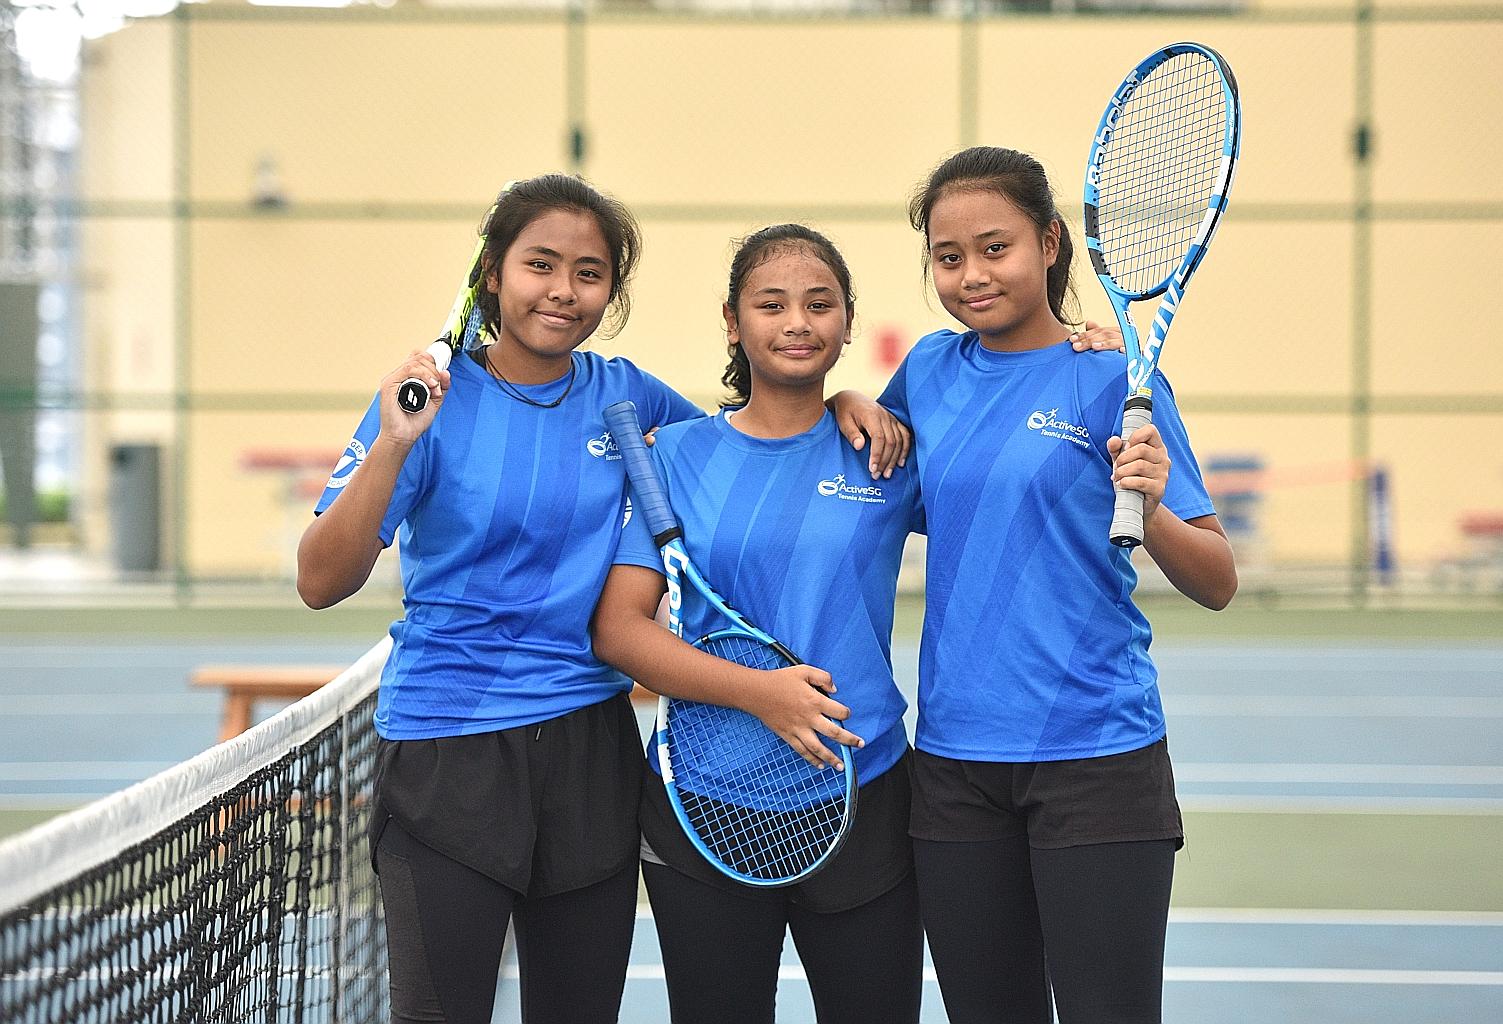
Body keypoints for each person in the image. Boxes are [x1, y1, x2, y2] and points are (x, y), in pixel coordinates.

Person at [295, 178, 907, 1024]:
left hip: (590, 751)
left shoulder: (625, 398)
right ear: (492, 275)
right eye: (540, 265)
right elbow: (320, 581)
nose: (562, 291)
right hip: (450, 747)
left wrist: (843, 400)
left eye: (589, 273)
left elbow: (751, 440)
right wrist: (395, 445)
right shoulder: (426, 401)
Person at [884, 146, 1239, 1024]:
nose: (971, 274)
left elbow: (1217, 580)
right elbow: (859, 474)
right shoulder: (926, 372)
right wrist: (847, 405)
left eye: (994, 248)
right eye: (948, 256)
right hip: (956, 765)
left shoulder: (1115, 377)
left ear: (1048, 243)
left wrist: (1150, 508)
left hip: (1096, 757)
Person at [590, 224, 928, 1024]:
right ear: (733, 322)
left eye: (820, 304)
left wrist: (1073, 349)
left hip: (864, 791)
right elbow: (620, 630)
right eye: (771, 305)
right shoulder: (674, 456)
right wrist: (759, 694)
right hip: (703, 798)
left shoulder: (885, 453)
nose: (797, 322)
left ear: (848, 322)